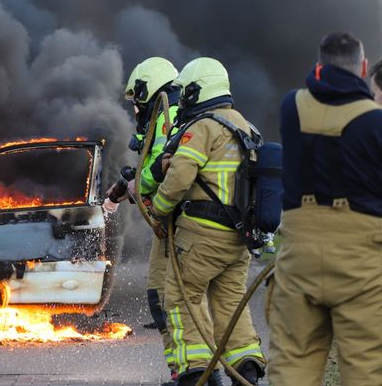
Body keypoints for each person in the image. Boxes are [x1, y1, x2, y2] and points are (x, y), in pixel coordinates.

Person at [269, 32, 382, 386]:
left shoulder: (292, 107)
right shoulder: (374, 120)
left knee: (293, 364)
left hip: (299, 255)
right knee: (365, 367)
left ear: (318, 66)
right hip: (360, 260)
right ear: (363, 68)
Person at [148, 57, 265, 386]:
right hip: (239, 237)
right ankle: (247, 365)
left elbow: (180, 176)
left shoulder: (203, 128)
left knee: (182, 297)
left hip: (201, 235)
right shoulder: (247, 127)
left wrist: (158, 209)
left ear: (196, 92)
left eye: (185, 93)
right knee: (230, 300)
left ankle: (195, 370)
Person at [106, 57, 180, 382]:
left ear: (149, 91)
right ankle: (186, 371)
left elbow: (160, 168)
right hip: (170, 226)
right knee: (162, 298)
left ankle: (191, 372)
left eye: (137, 102)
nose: (135, 111)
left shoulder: (168, 119)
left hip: (179, 225)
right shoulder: (165, 119)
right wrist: (122, 189)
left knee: (167, 300)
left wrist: (138, 184)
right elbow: (146, 168)